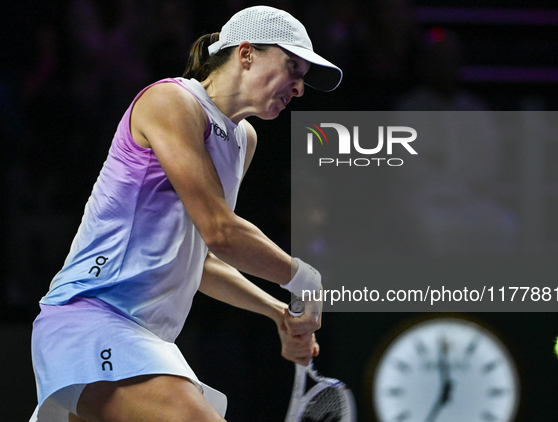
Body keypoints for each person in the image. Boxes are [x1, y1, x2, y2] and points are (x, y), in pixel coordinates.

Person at [29, 6, 342, 422]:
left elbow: (202, 260)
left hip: (145, 339)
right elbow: (220, 231)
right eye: (292, 68)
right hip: (93, 317)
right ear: (246, 54)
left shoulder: (242, 140)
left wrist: (277, 312)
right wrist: (304, 277)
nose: (299, 87)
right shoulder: (171, 101)